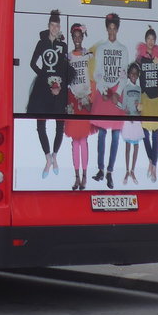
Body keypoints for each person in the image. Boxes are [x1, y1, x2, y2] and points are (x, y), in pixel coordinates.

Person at [27, 10, 72, 179]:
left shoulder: (63, 45)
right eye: (52, 25)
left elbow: (64, 67)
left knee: (60, 124)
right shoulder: (42, 43)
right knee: (41, 124)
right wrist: (44, 76)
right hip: (43, 87)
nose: (55, 28)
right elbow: (32, 63)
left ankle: (55, 155)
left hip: (59, 86)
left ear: (60, 27)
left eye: (57, 26)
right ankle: (47, 157)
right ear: (48, 26)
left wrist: (60, 83)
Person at [89, 12, 127, 189]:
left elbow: (124, 75)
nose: (112, 31)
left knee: (116, 136)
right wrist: (104, 90)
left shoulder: (123, 49)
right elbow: (97, 72)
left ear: (118, 29)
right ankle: (100, 169)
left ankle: (110, 172)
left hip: (116, 96)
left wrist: (116, 92)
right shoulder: (102, 48)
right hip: (104, 94)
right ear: (106, 29)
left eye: (114, 28)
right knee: (102, 135)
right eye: (109, 28)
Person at [65, 23, 95, 191]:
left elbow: (92, 76)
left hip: (85, 98)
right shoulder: (68, 57)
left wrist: (89, 97)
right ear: (72, 38)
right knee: (75, 141)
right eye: (75, 36)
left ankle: (84, 177)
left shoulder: (88, 55)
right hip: (73, 97)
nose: (77, 39)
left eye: (79, 36)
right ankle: (76, 176)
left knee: (83, 139)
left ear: (82, 37)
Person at [136, 26, 158, 182]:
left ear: (155, 42)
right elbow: (133, 74)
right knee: (144, 133)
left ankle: (153, 165)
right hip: (145, 98)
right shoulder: (140, 59)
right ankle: (152, 162)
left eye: (153, 39)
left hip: (156, 99)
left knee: (155, 134)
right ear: (145, 40)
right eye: (148, 38)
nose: (150, 41)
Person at [120, 61, 144, 184]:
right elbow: (123, 105)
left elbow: (140, 106)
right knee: (128, 146)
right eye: (132, 74)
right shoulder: (126, 88)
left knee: (136, 146)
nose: (134, 76)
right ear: (129, 75)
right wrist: (126, 111)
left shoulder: (139, 89)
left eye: (136, 74)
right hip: (129, 120)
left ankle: (133, 170)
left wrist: (139, 109)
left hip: (137, 120)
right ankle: (127, 170)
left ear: (138, 75)